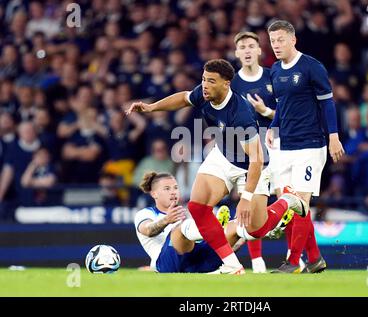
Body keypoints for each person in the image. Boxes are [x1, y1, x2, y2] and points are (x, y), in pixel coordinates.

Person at [127, 59, 308, 274]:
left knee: (255, 229)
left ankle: (287, 201)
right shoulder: (205, 94)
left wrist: (246, 198)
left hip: (252, 165)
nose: (205, 85)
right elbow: (183, 98)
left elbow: (256, 159)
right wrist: (151, 107)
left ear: (226, 84)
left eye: (211, 81)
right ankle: (232, 264)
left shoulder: (240, 114)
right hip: (223, 156)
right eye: (203, 79)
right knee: (197, 206)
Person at [266, 20, 345, 273]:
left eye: (280, 40)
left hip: (310, 145)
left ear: (293, 40)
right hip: (283, 146)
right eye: (272, 41)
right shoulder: (275, 70)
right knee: (288, 206)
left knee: (300, 202)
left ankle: (292, 262)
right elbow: (282, 104)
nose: (276, 45)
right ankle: (314, 258)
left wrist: (333, 136)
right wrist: (273, 126)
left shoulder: (312, 67)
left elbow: (327, 103)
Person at [135, 171, 304, 273]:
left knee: (238, 225)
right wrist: (166, 220)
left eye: (175, 188)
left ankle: (272, 224)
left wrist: (240, 238)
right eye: (167, 189)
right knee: (180, 229)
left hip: (201, 262)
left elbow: (230, 247)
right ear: (154, 194)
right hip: (168, 264)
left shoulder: (187, 211)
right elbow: (148, 230)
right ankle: (216, 227)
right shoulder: (145, 213)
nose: (173, 192)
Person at [230, 31, 279, 274]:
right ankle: (257, 260)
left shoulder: (274, 76)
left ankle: (296, 257)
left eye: (251, 46)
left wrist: (265, 111)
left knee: (285, 199)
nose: (247, 50)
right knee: (250, 200)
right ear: (236, 53)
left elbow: (289, 112)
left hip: (278, 145)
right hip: (247, 150)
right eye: (242, 47)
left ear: (259, 50)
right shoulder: (232, 83)